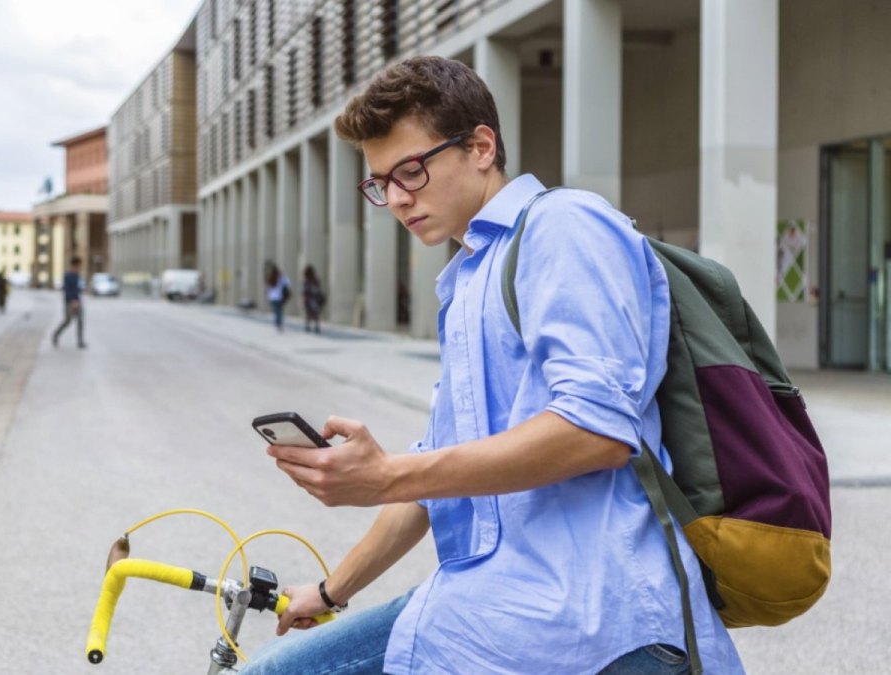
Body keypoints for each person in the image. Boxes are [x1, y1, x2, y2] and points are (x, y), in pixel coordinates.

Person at [247, 57, 743, 674]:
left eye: (411, 171)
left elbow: (597, 430)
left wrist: (391, 473)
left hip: (597, 631)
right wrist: (329, 592)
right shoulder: (470, 276)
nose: (397, 198)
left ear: (481, 145)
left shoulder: (564, 227)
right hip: (493, 615)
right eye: (380, 183)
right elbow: (435, 475)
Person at [52, 256, 86, 349]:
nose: (80, 268)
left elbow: (78, 288)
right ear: (74, 265)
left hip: (78, 301)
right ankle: (56, 335)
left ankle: (80, 341)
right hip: (69, 302)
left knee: (80, 321)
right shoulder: (67, 276)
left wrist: (78, 298)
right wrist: (72, 301)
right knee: (67, 321)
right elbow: (67, 290)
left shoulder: (77, 275)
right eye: (79, 266)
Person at [265, 265, 291, 332]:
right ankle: (279, 323)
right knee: (279, 311)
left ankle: (277, 323)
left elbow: (267, 288)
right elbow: (288, 283)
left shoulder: (270, 278)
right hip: (279, 297)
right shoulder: (280, 278)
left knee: (276, 311)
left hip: (272, 297)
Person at [300, 265, 325, 334]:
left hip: (310, 299)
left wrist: (304, 297)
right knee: (314, 313)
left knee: (309, 313)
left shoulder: (307, 281)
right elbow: (317, 290)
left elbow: (303, 290)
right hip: (314, 299)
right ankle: (315, 326)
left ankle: (309, 326)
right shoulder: (314, 280)